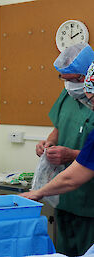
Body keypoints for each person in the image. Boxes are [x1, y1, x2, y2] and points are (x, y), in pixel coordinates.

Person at [34, 44, 94, 256]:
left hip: (89, 202)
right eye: (64, 78)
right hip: (64, 198)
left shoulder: (90, 96)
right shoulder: (68, 95)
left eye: (74, 79)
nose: (69, 85)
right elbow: (59, 126)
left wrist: (71, 155)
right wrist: (48, 144)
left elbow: (86, 163)